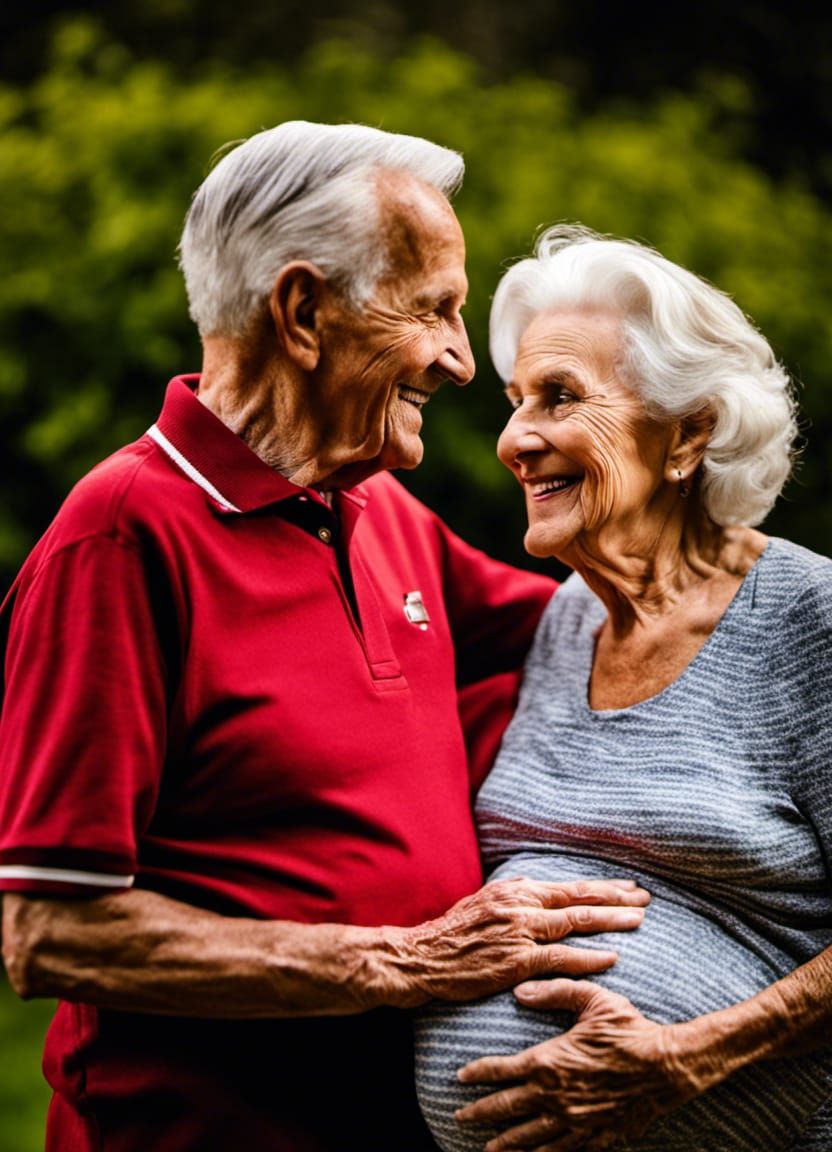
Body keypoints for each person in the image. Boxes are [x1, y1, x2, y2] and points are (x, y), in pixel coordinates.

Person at [0, 127, 651, 1152]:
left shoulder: (381, 510)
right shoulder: (121, 539)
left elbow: (617, 631)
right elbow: (54, 933)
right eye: (433, 307)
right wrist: (401, 962)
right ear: (303, 313)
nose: (459, 357)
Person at [414, 224, 832, 1152]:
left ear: (688, 434)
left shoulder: (809, 617)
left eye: (560, 398)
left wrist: (685, 1057)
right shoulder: (570, 619)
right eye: (519, 400)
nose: (517, 439)